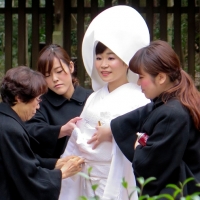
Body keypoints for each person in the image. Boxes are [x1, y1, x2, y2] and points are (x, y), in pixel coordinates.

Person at [59, 5, 150, 200]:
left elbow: (145, 141)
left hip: (118, 178)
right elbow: (78, 140)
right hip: (86, 178)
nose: (103, 64)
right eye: (99, 58)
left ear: (126, 61)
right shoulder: (93, 97)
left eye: (111, 58)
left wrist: (115, 134)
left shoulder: (140, 98)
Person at [91, 40, 200, 197]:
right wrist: (112, 128)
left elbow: (150, 167)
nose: (139, 82)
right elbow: (142, 113)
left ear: (161, 78)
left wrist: (139, 146)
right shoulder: (172, 100)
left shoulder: (172, 114)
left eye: (142, 77)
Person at [0, 66, 84, 200]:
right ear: (19, 98)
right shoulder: (10, 129)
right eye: (37, 100)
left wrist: (56, 163)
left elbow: (23, 162)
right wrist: (62, 173)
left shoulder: (5, 119)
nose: (38, 106)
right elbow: (27, 178)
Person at [25, 44, 93, 158]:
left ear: (71, 67)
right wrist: (62, 130)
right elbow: (31, 131)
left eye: (59, 71)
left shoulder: (92, 97)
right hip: (57, 171)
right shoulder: (39, 104)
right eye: (47, 75)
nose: (55, 79)